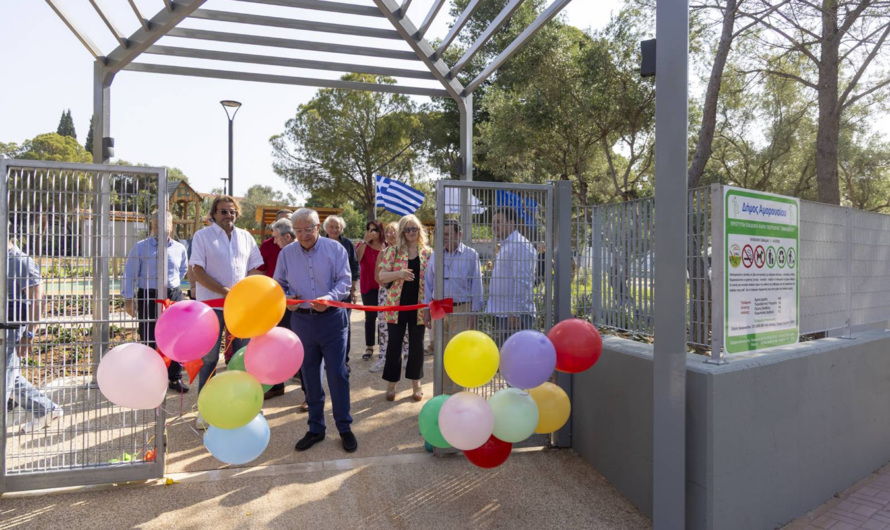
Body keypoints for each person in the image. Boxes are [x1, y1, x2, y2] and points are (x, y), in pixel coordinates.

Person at [274, 208, 356, 453]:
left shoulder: (335, 249)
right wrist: (287, 299)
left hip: (332, 321)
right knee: (309, 375)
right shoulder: (286, 254)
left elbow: (345, 281)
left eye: (308, 229)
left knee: (337, 375)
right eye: (298, 230)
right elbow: (278, 284)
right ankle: (316, 428)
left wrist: (329, 299)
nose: (303, 235)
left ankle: (344, 427)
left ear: (318, 227)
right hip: (302, 322)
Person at [189, 196, 263, 429]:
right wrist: (225, 292)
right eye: (223, 211)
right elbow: (197, 272)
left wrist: (243, 291)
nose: (228, 215)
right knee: (209, 360)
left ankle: (246, 406)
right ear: (214, 214)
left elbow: (255, 268)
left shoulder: (246, 237)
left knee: (243, 358)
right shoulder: (202, 237)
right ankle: (205, 410)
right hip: (211, 308)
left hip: (239, 308)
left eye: (232, 212)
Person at [122, 211, 190, 392]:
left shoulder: (180, 248)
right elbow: (129, 274)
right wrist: (128, 299)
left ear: (171, 226)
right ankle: (151, 378)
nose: (158, 228)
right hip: (148, 296)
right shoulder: (140, 247)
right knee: (149, 337)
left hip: (173, 296)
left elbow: (183, 269)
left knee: (175, 337)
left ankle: (174, 377)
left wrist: (171, 286)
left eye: (162, 224)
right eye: (155, 224)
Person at [6, 228, 64, 433]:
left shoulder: (22, 262)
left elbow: (38, 302)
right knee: (10, 377)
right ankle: (47, 409)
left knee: (6, 378)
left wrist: (29, 335)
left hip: (11, 332)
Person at [378, 215, 431, 402]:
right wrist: (399, 273)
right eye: (407, 229)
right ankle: (391, 384)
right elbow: (382, 276)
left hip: (419, 306)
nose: (410, 232)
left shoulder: (428, 253)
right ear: (402, 232)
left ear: (419, 230)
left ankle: (416, 383)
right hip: (396, 306)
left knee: (417, 346)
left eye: (414, 228)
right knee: (394, 345)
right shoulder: (393, 251)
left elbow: (432, 280)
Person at [262, 218, 308, 406]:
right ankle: (276, 385)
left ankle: (309, 394)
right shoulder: (283, 253)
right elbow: (278, 280)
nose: (274, 241)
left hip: (302, 310)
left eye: (276, 237)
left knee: (302, 350)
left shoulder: (305, 251)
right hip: (280, 306)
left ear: (287, 237)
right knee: (277, 346)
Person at [422, 219, 484, 335]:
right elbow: (429, 283)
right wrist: (426, 310)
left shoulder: (471, 255)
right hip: (438, 308)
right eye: (442, 234)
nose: (444, 238)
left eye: (447, 234)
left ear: (459, 234)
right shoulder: (435, 255)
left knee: (458, 345)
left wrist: (474, 314)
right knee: (438, 345)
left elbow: (476, 286)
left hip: (461, 309)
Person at [487, 208, 537, 346]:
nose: (494, 226)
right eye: (493, 223)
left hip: (514, 317)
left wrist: (515, 313)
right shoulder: (507, 244)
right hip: (504, 314)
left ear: (511, 223)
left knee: (517, 356)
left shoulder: (519, 245)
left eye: (498, 222)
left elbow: (522, 282)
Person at [369, 222, 409, 374]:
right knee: (384, 327)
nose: (390, 234)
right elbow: (377, 276)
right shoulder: (383, 252)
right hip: (386, 295)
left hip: (403, 294)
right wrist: (390, 288)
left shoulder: (408, 252)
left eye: (394, 231)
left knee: (405, 327)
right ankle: (384, 357)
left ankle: (407, 357)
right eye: (388, 232)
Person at [323, 215, 359, 371]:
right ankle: (327, 360)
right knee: (326, 325)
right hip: (324, 292)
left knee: (344, 325)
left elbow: (354, 266)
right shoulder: (320, 243)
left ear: (341, 229)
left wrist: (353, 289)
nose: (334, 229)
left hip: (344, 292)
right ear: (325, 228)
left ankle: (344, 360)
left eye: (337, 227)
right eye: (331, 226)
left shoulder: (347, 244)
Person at [355, 220, 385, 361]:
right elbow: (356, 259)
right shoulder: (362, 245)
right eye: (370, 230)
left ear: (381, 231)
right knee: (370, 317)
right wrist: (365, 242)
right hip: (368, 286)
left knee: (383, 317)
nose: (373, 232)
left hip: (384, 286)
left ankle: (383, 346)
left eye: (376, 229)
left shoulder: (387, 246)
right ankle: (369, 347)